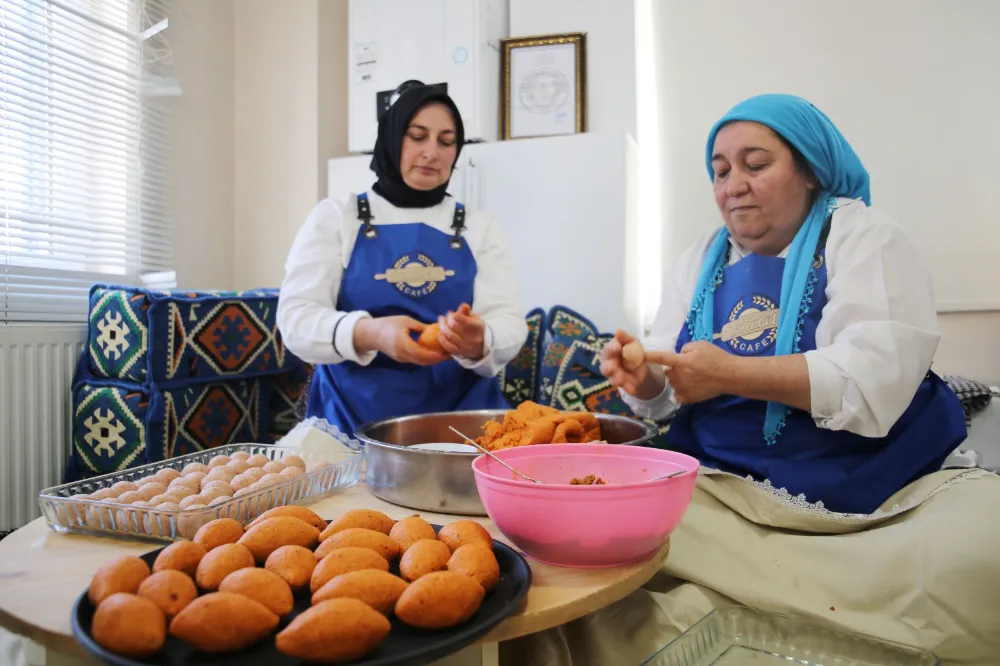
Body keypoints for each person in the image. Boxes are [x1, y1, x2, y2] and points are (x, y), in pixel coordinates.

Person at [507, 94, 1000, 666]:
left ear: (811, 170)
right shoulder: (700, 259)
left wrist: (732, 374)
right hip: (724, 486)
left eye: (755, 164)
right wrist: (643, 380)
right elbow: (664, 401)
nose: (731, 184)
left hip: (870, 486)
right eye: (719, 171)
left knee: (979, 546)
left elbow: (874, 384)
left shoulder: (863, 237)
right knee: (572, 540)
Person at [277, 82, 527, 436]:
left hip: (462, 426)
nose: (432, 152)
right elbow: (295, 320)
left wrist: (480, 339)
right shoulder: (337, 218)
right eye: (417, 136)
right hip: (349, 422)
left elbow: (510, 323)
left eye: (446, 140)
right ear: (393, 138)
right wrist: (371, 333)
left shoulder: (479, 227)